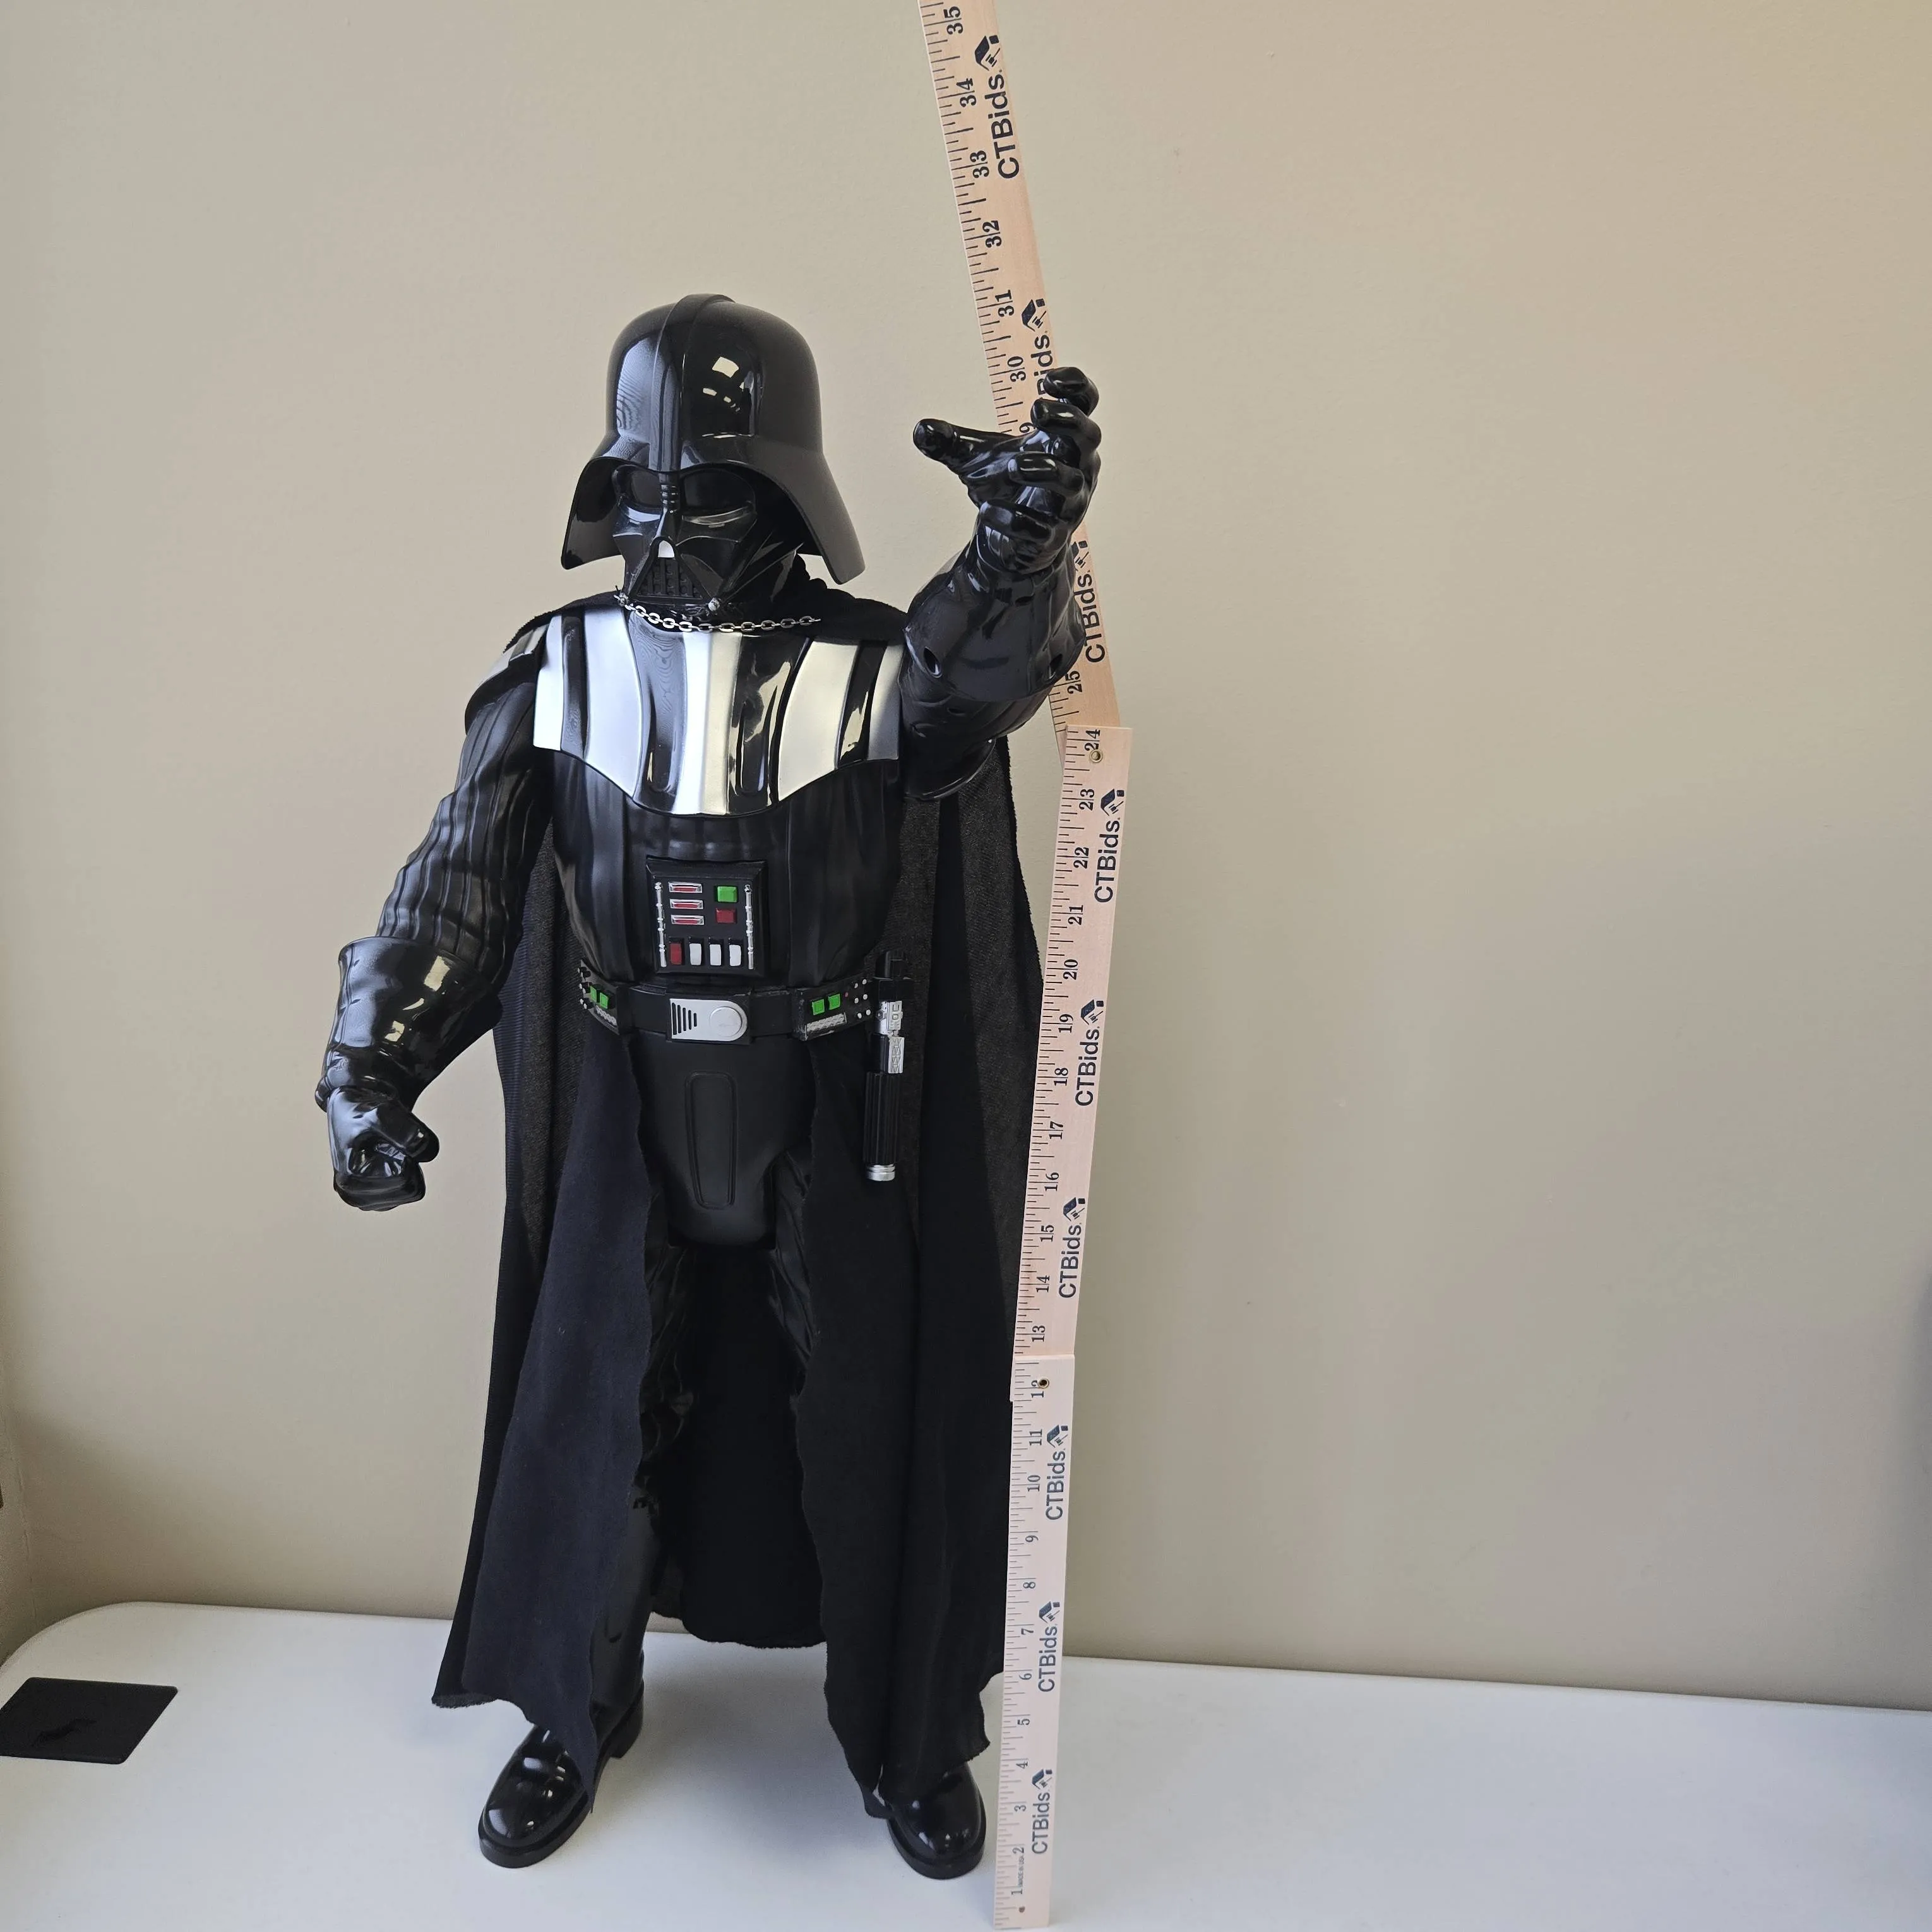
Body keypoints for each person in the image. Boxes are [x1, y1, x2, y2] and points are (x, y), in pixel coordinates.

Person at [317, 293, 1099, 1877]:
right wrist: (370, 1066)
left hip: (838, 1104)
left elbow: (975, 686)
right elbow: (456, 890)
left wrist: (1019, 548)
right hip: (628, 1101)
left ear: (786, 492)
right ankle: (575, 1704)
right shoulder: (558, 670)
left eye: (717, 494)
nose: (678, 529)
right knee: (604, 1402)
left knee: (872, 1402)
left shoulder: (873, 666)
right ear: (610, 487)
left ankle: (908, 1736)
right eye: (653, 492)